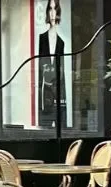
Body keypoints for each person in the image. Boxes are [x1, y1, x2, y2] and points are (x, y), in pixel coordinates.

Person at [37, 0, 66, 128]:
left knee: (61, 124)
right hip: (44, 91)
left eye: (55, 9)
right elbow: (39, 65)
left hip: (59, 91)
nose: (52, 13)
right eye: (50, 9)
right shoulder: (42, 39)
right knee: (45, 127)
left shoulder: (62, 41)